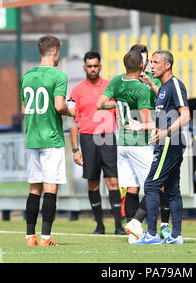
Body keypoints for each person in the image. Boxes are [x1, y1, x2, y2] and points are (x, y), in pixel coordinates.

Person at [126, 50, 190, 245]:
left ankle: (152, 234)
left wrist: (167, 132)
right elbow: (163, 117)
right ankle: (176, 236)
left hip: (171, 141)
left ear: (168, 65)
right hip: (168, 140)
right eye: (151, 62)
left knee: (151, 185)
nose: (151, 65)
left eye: (155, 62)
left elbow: (186, 115)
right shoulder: (162, 88)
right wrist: (143, 126)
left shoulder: (175, 85)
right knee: (171, 189)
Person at [96, 50, 157, 241]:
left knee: (132, 187)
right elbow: (146, 120)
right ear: (141, 66)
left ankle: (133, 236)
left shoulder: (116, 81)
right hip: (138, 142)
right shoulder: (141, 89)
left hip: (121, 141)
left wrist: (118, 105)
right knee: (156, 185)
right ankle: (136, 221)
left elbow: (100, 103)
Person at [22, 35, 76, 247]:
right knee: (50, 188)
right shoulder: (58, 75)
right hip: (51, 138)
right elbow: (60, 105)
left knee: (34, 189)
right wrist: (71, 111)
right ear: (55, 52)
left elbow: (24, 109)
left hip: (33, 137)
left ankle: (29, 237)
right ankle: (45, 238)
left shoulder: (27, 76)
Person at [68, 51, 124, 235]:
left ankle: (118, 226)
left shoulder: (110, 87)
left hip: (108, 137)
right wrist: (75, 149)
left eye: (95, 66)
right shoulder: (76, 90)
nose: (92, 69)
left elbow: (120, 114)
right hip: (87, 138)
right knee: (93, 183)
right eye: (89, 66)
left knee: (113, 182)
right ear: (84, 67)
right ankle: (99, 225)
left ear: (100, 66)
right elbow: (73, 123)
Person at [123, 44, 172, 242]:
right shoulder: (127, 82)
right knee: (144, 186)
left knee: (161, 183)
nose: (147, 64)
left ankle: (161, 226)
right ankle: (135, 226)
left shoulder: (154, 82)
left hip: (153, 136)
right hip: (138, 138)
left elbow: (165, 98)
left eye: (150, 60)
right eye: (144, 60)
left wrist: (150, 85)